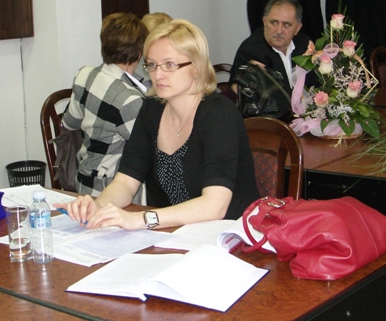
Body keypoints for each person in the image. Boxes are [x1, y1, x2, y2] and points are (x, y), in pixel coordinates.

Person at [56, 20, 259, 230]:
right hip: (172, 233)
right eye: (152, 65)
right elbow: (126, 182)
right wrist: (98, 206)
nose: (157, 75)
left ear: (196, 68)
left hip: (230, 236)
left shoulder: (219, 114)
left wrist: (140, 219)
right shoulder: (151, 109)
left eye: (170, 65)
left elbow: (214, 206)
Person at [62, 12, 148, 199]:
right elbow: (151, 152)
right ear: (139, 52)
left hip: (82, 180)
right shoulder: (130, 100)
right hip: (113, 191)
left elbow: (69, 123)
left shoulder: (84, 74)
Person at [231, 0, 315, 92]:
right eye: (274, 23)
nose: (279, 31)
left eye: (286, 25)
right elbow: (237, 91)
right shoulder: (250, 51)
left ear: (297, 28)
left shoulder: (305, 44)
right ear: (264, 22)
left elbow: (316, 85)